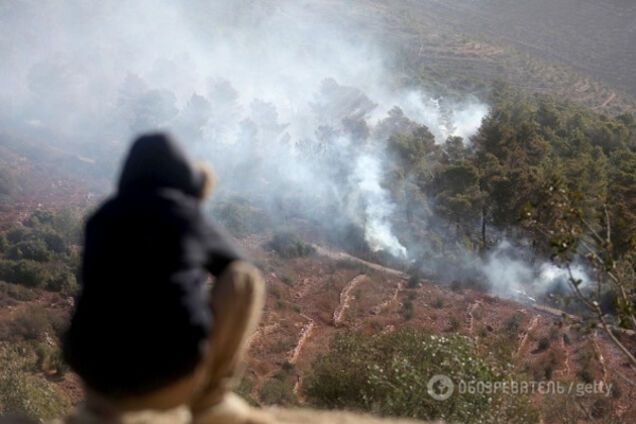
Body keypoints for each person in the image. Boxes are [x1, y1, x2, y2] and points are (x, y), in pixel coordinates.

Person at [62, 133, 267, 423]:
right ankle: (210, 403)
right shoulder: (185, 213)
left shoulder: (100, 217)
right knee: (246, 278)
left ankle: (96, 412)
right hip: (170, 381)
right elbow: (235, 267)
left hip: (98, 382)